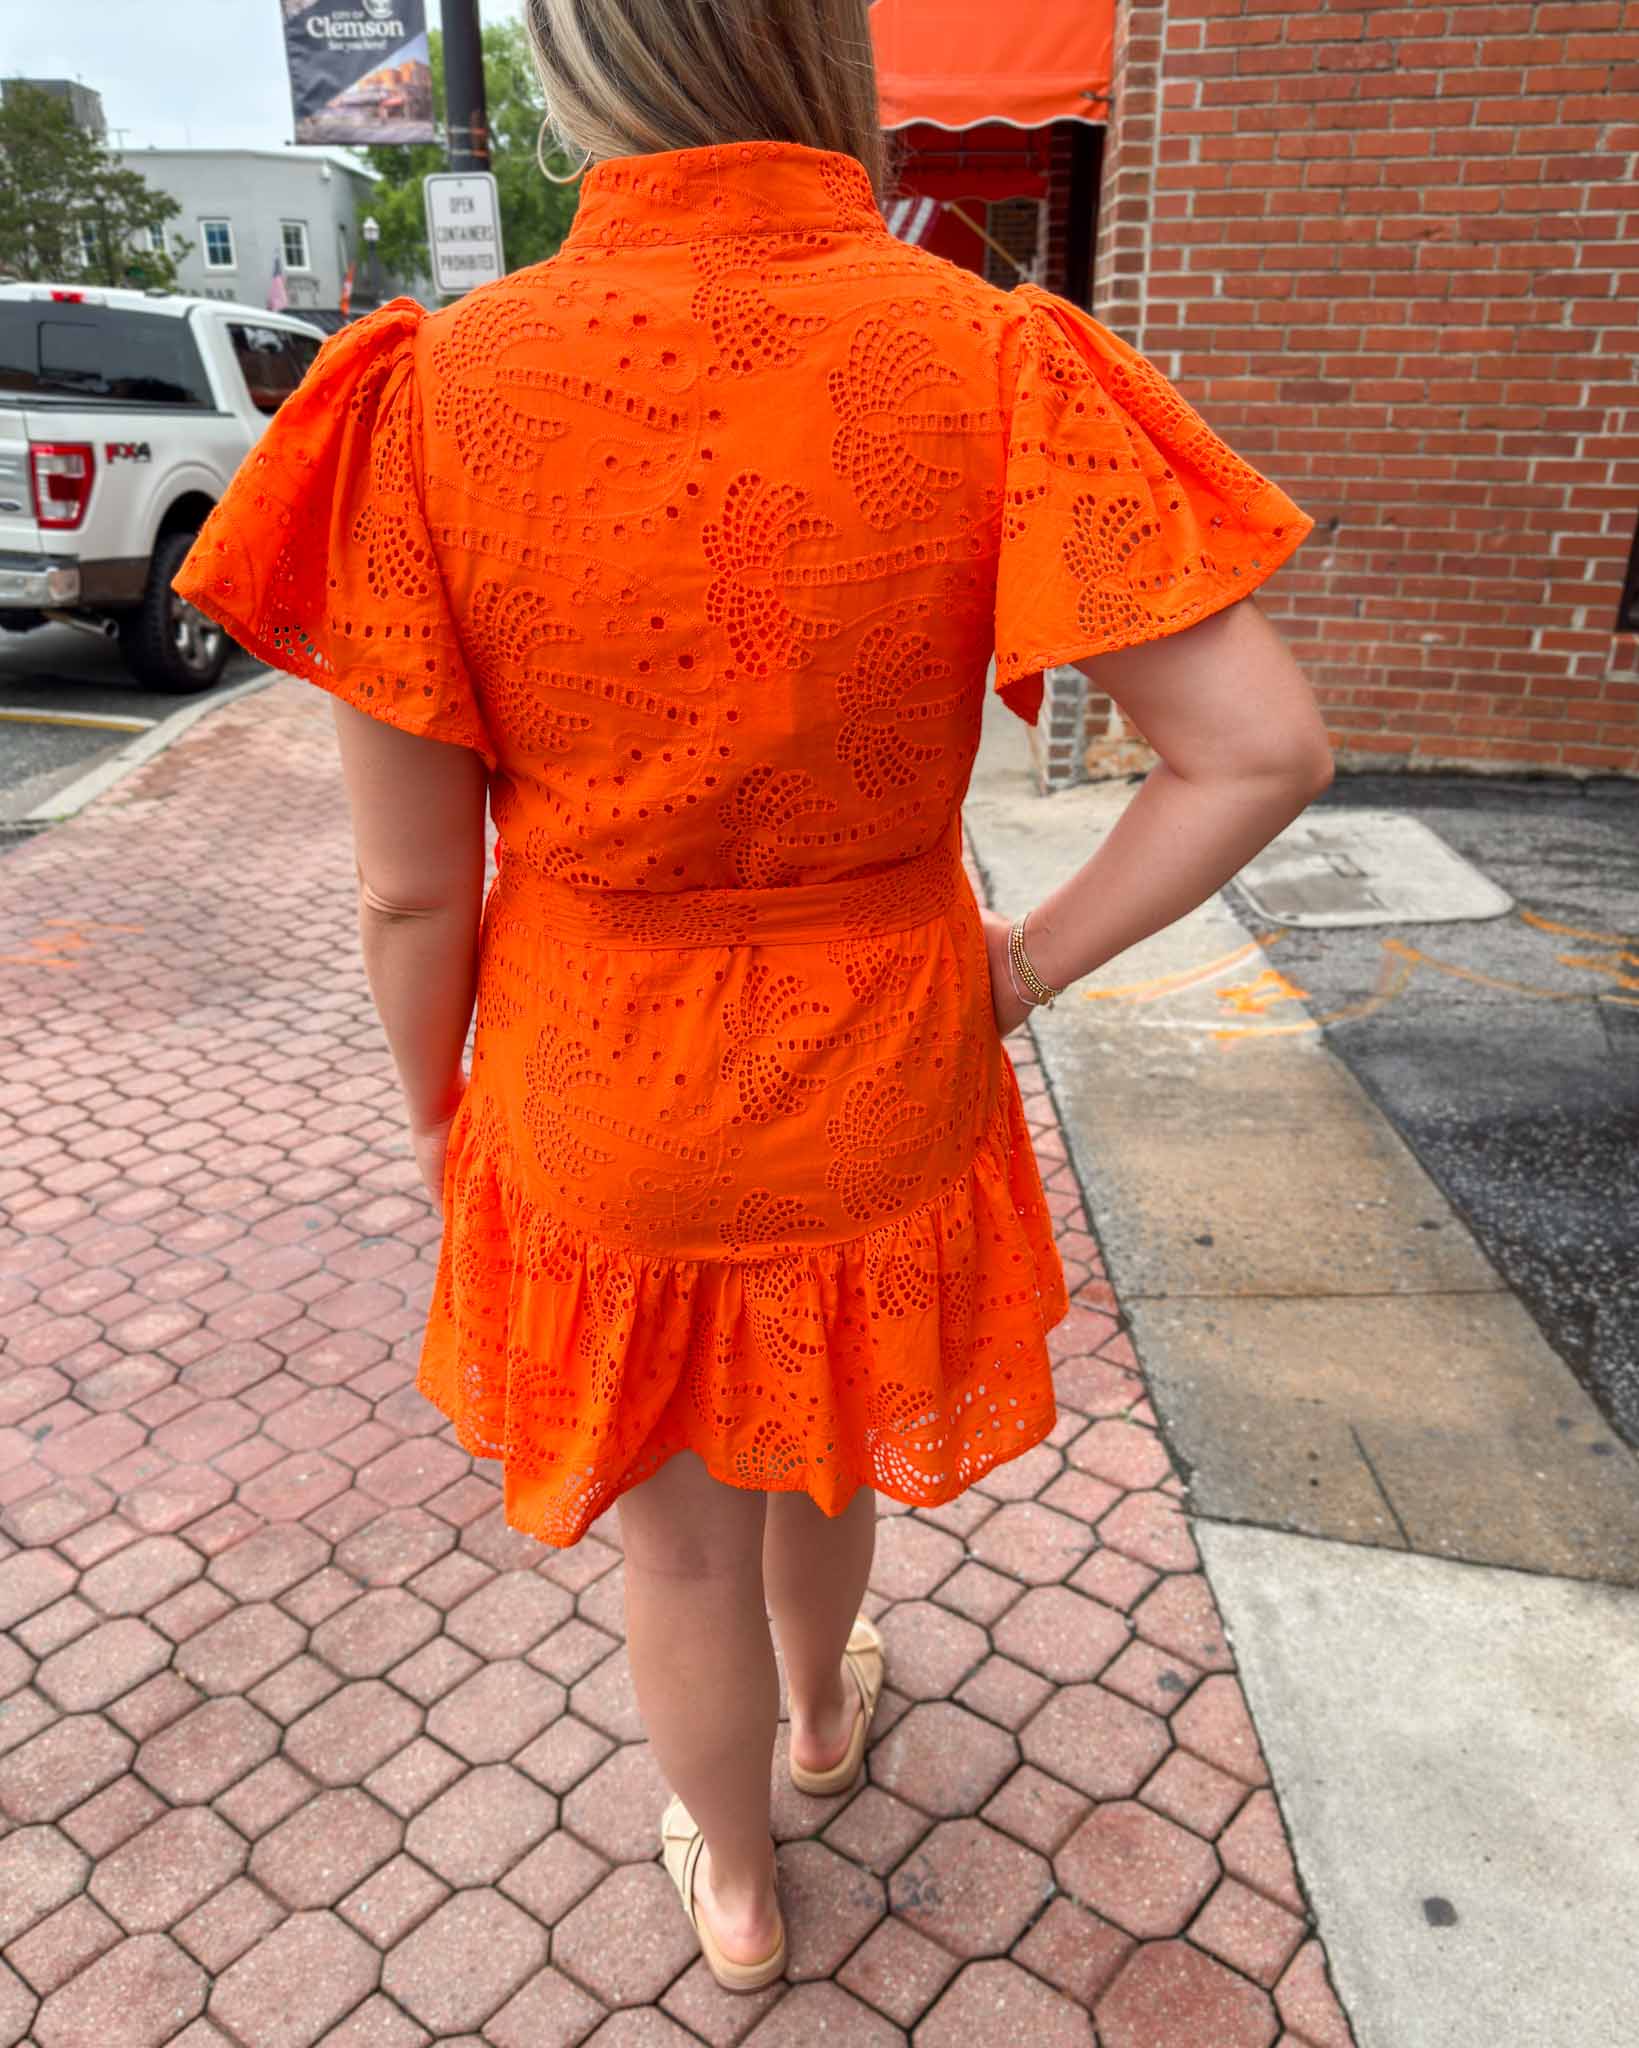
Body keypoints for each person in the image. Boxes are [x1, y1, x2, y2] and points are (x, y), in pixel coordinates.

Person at [172, 0, 1333, 1995]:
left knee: (679, 1540)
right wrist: (1022, 967)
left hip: (596, 1078)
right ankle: (820, 1715)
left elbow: (407, 884)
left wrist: (439, 1105)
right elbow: (1261, 749)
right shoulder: (991, 352)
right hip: (882, 1057)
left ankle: (734, 1891)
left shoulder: (430, 390)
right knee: (819, 1443)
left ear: (583, 66)